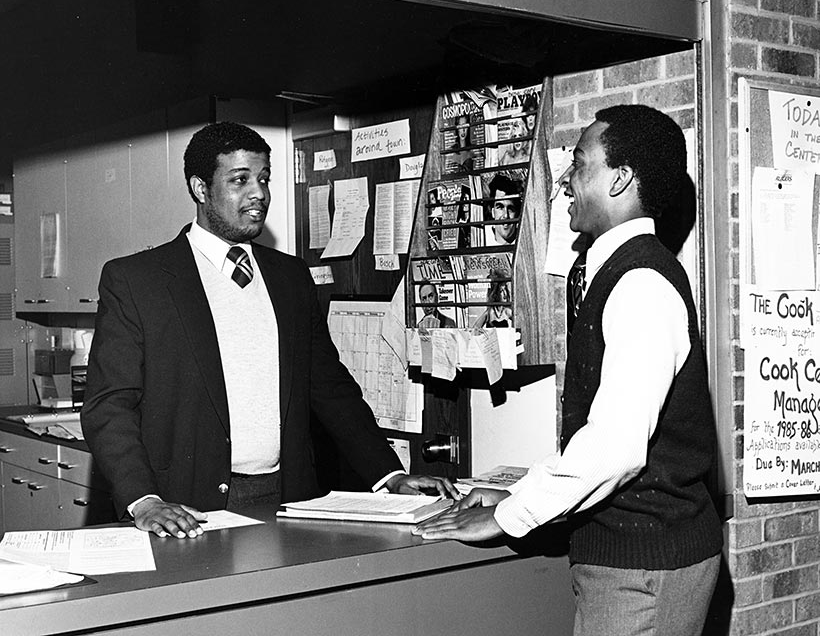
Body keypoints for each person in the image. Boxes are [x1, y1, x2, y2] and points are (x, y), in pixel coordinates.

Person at [414, 105, 722, 636]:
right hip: (637, 561)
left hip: (643, 569)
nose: (565, 179)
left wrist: (510, 515)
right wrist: (522, 491)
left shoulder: (641, 284)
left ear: (620, 178)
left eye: (579, 164)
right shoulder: (618, 271)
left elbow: (615, 447)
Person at [82, 121, 457, 540]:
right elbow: (109, 406)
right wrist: (143, 500)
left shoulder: (290, 277)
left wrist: (388, 474)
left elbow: (330, 388)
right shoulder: (138, 281)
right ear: (200, 188)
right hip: (185, 509)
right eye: (239, 180)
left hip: (290, 498)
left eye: (263, 179)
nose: (258, 193)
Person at [484, 174, 521, 246]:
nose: (505, 215)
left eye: (510, 209)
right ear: (493, 212)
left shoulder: (523, 238)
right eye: (500, 207)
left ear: (517, 213)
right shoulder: (483, 235)